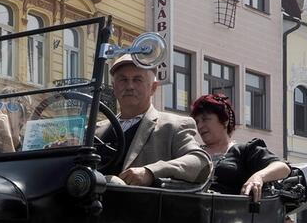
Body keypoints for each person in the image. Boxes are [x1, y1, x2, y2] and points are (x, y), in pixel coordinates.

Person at [98, 54, 211, 186]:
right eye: (123, 80)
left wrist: (151, 171)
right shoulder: (96, 130)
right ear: (114, 87)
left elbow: (201, 162)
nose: (129, 86)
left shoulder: (173, 126)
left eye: (137, 80)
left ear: (153, 87)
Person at [191, 93, 290, 199]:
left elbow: (283, 168)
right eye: (197, 121)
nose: (200, 126)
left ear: (224, 120)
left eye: (205, 119)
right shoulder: (192, 152)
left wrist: (258, 177)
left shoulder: (245, 150)